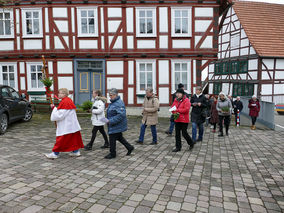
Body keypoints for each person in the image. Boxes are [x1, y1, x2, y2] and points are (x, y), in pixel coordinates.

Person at [45, 88, 84, 159]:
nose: (58, 94)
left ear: (64, 94)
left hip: (67, 125)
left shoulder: (65, 102)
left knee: (61, 140)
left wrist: (54, 108)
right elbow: (63, 112)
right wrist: (55, 108)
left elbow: (60, 115)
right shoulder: (67, 100)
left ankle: (55, 153)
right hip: (72, 125)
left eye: (60, 93)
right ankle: (76, 151)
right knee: (73, 139)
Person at [105, 88, 134, 159]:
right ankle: (129, 147)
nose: (110, 97)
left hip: (116, 124)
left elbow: (121, 115)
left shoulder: (119, 103)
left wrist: (110, 121)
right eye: (109, 95)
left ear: (115, 95)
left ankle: (112, 153)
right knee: (119, 137)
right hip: (114, 124)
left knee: (112, 138)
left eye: (111, 95)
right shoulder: (114, 102)